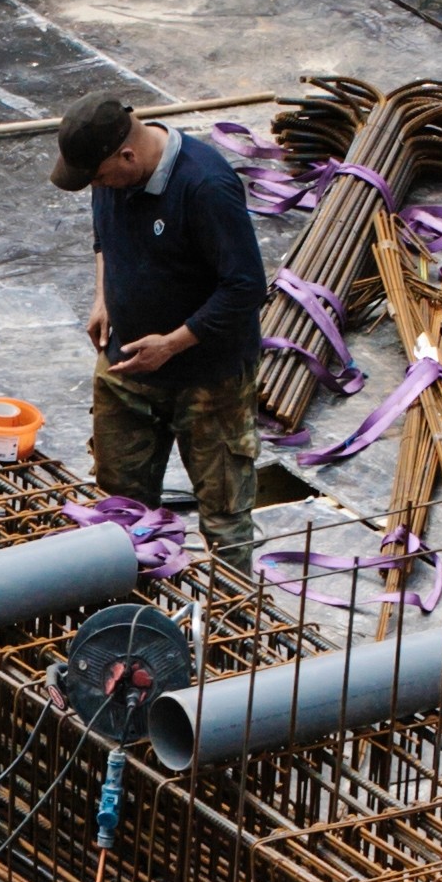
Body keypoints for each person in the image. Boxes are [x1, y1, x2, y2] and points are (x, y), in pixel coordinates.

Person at [56, 93, 269, 568]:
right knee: (118, 511)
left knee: (225, 519)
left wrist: (172, 344)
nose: (98, 187)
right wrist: (103, 295)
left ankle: (225, 632)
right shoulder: (109, 172)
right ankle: (128, 623)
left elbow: (246, 287)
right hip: (127, 365)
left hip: (208, 381)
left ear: (127, 156)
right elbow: (103, 235)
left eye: (100, 177)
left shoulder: (206, 186)